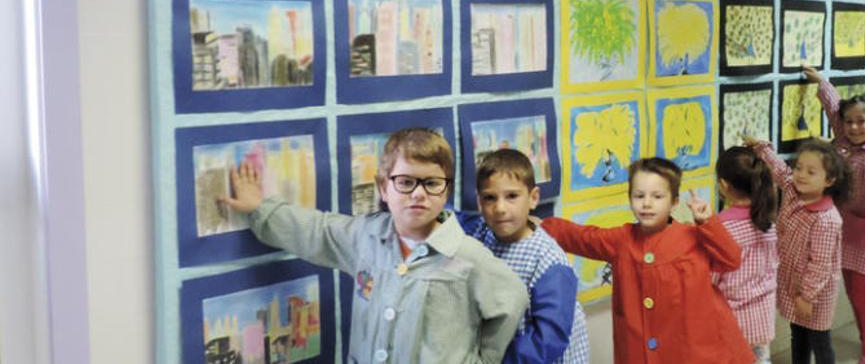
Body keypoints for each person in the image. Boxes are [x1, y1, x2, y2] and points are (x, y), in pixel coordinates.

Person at [222, 128, 529, 364]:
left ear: (446, 191)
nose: (419, 194)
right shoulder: (366, 237)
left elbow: (511, 299)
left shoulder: (466, 257)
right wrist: (261, 208)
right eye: (405, 182)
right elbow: (318, 231)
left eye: (432, 183)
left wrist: (484, 358)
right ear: (383, 187)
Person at [540, 158, 755, 363]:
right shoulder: (622, 239)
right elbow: (583, 237)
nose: (647, 203)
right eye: (639, 195)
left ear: (674, 202)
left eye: (657, 196)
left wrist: (708, 222)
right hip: (640, 351)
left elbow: (731, 260)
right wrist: (540, 225)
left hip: (696, 350)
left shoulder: (694, 236)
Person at [457, 149, 589, 363]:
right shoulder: (480, 232)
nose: (500, 208)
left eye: (512, 196)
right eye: (490, 198)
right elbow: (450, 218)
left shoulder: (550, 263)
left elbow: (548, 340)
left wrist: (499, 360)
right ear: (479, 203)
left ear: (533, 198)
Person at [806, 66, 865, 364]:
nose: (854, 127)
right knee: (854, 294)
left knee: (864, 297)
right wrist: (822, 82)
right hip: (843, 232)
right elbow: (834, 111)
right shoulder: (844, 143)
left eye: (862, 122)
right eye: (850, 122)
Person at [747, 137, 847, 364]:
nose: (800, 174)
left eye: (811, 172)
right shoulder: (793, 190)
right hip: (794, 285)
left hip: (814, 294)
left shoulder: (826, 219)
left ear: (829, 180)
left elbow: (820, 264)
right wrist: (760, 147)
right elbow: (780, 170)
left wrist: (807, 296)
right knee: (798, 333)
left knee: (819, 341)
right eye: (799, 167)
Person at [712, 147, 780, 363]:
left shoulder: (722, 228)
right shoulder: (767, 222)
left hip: (732, 318)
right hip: (762, 316)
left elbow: (711, 277)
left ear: (723, 185)